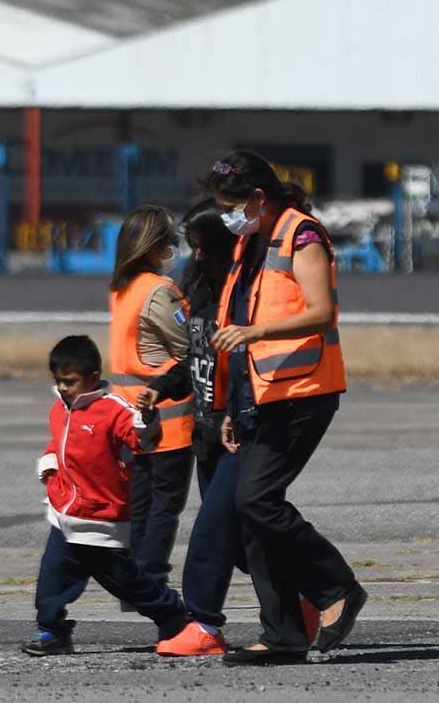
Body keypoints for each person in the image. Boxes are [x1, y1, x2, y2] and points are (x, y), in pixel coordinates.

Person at [204, 151, 368, 666]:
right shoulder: (249, 243)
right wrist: (232, 402)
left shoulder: (302, 235)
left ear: (258, 197)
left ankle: (336, 586)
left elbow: (320, 312)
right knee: (249, 513)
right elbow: (236, 327)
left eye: (233, 204)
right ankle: (282, 633)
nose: (227, 214)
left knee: (256, 499)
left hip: (304, 391)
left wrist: (258, 333)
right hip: (260, 394)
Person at [24, 335, 189, 656]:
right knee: (51, 581)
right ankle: (52, 631)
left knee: (127, 583)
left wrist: (148, 416)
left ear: (93, 378)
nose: (62, 388)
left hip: (100, 521)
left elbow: (142, 440)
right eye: (58, 381)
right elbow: (57, 445)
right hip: (64, 516)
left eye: (69, 382)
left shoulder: (114, 410)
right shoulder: (59, 409)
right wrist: (49, 466)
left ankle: (173, 615)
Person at [142, 200, 241, 657]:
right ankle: (306, 598)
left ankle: (203, 625)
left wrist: (236, 415)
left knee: (210, 533)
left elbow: (247, 365)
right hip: (206, 432)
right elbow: (193, 358)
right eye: (193, 247)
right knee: (244, 540)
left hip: (237, 431)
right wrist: (160, 388)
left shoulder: (245, 294)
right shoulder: (195, 287)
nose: (196, 257)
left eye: (206, 248)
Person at [108, 205, 193, 589]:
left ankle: (134, 581)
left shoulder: (121, 289)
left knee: (139, 503)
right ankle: (151, 579)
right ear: (156, 246)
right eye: (168, 242)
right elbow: (188, 348)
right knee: (164, 506)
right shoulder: (160, 292)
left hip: (128, 414)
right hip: (167, 416)